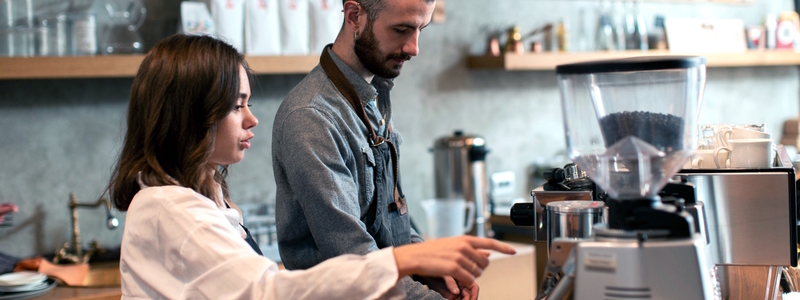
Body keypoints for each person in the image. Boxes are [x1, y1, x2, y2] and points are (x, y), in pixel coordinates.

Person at [108, 34, 515, 299]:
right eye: (236, 106)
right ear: (189, 117)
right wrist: (405, 262)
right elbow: (268, 291)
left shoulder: (201, 198)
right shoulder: (172, 212)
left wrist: (421, 263)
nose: (251, 120)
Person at [272, 0, 481, 299]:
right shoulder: (310, 117)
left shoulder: (377, 95)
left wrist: (426, 264)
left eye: (421, 29)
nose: (414, 48)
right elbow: (354, 258)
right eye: (401, 29)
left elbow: (390, 219)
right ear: (354, 16)